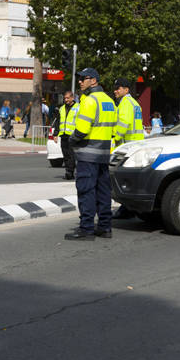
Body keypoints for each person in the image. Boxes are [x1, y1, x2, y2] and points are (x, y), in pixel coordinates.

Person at [64, 68, 117, 241]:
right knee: (103, 191)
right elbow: (114, 128)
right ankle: (105, 227)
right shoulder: (109, 101)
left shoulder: (89, 100)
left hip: (88, 154)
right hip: (103, 154)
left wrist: (72, 140)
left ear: (93, 81)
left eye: (82, 79)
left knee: (86, 190)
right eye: (79, 79)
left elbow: (83, 129)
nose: (79, 82)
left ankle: (86, 229)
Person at [112, 78, 145, 219]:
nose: (115, 90)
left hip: (128, 146)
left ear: (126, 90)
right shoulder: (135, 103)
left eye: (118, 88)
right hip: (138, 144)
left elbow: (123, 123)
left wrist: (114, 136)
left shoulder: (125, 102)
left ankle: (126, 209)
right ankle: (131, 209)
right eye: (115, 88)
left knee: (124, 180)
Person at [58, 91, 79, 180]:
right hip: (63, 135)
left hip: (73, 135)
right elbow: (58, 122)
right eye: (65, 98)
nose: (66, 100)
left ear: (72, 98)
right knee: (65, 154)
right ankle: (68, 170)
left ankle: (69, 172)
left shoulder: (78, 108)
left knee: (71, 155)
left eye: (67, 98)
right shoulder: (62, 108)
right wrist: (55, 134)